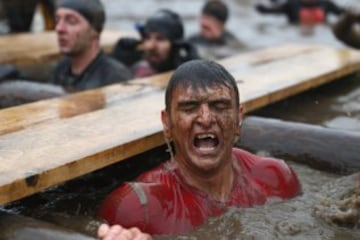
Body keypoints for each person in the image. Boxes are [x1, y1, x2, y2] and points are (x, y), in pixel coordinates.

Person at [96, 59, 302, 239]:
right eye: (189, 108)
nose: (205, 119)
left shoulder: (275, 178)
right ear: (167, 124)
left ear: (239, 118)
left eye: (220, 106)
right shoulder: (138, 207)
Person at [51, 0, 132, 92]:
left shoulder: (115, 77)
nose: (59, 28)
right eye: (57, 21)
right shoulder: (61, 70)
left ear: (94, 31)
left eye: (71, 21)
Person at [112, 9, 198, 78]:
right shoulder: (138, 68)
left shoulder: (185, 67)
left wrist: (193, 68)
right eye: (147, 38)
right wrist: (118, 64)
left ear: (176, 45)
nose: (150, 46)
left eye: (160, 39)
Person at [255, 0, 344, 25]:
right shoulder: (291, 4)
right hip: (296, 35)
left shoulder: (326, 4)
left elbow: (342, 13)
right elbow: (271, 10)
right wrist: (260, 8)